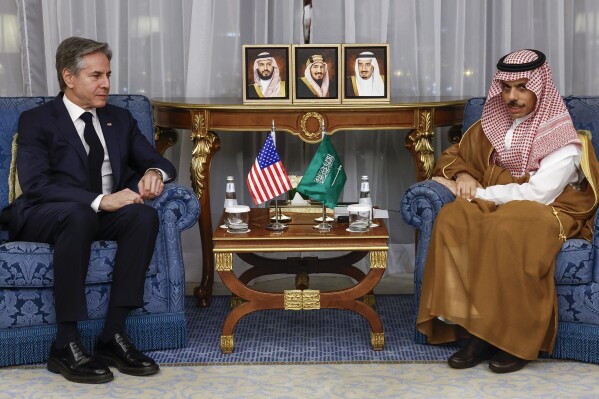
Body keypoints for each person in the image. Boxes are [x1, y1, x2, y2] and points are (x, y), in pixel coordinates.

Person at [5, 37, 177, 383]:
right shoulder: (37, 120)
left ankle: (112, 335)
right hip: (45, 214)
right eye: (96, 75)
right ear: (69, 77)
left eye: (108, 75)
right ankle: (65, 343)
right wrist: (101, 201)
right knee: (81, 213)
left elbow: (155, 160)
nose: (107, 84)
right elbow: (37, 185)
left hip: (98, 216)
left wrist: (153, 174)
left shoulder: (120, 118)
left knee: (144, 215)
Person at [416, 49, 599, 373]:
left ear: (539, 88)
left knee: (510, 225)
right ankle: (473, 329)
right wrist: (463, 175)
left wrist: (478, 193)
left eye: (522, 87)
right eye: (506, 88)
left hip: (548, 209)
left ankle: (510, 339)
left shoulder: (562, 136)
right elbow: (453, 156)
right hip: (500, 203)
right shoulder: (490, 126)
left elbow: (538, 193)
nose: (512, 97)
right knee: (454, 217)